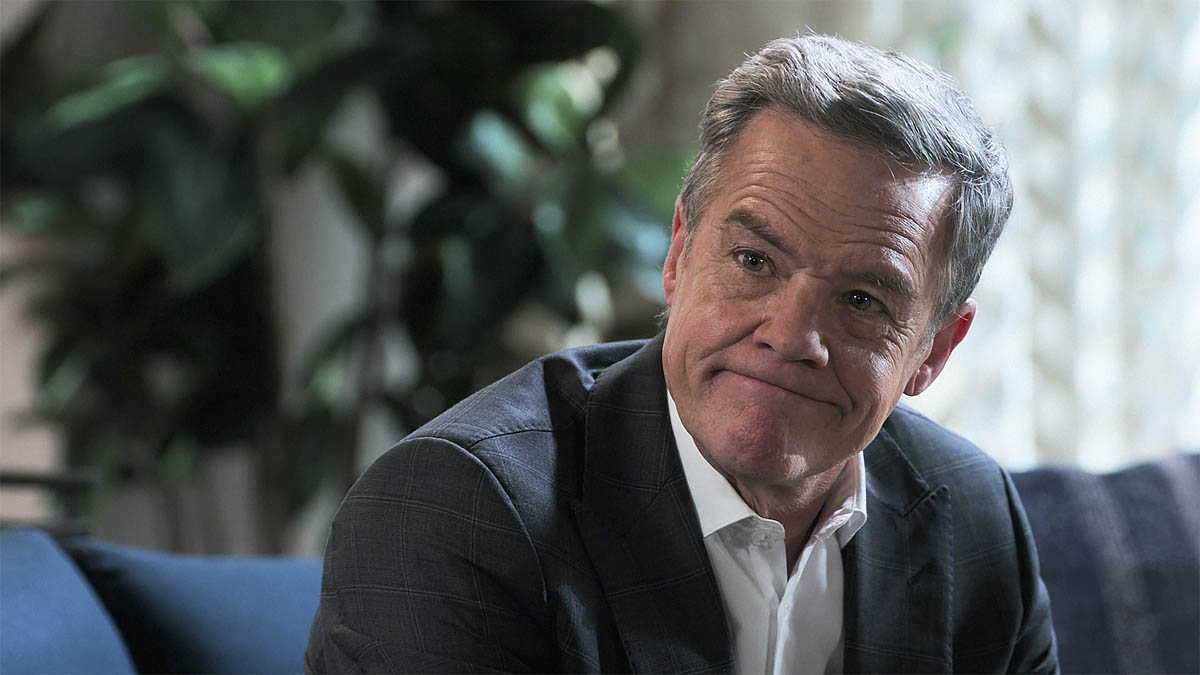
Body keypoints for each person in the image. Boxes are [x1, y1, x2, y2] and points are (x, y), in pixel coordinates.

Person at [306, 34, 1058, 674]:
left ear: (933, 350)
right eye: (754, 261)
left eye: (863, 301)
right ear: (679, 252)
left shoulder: (970, 513)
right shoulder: (456, 509)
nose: (790, 335)